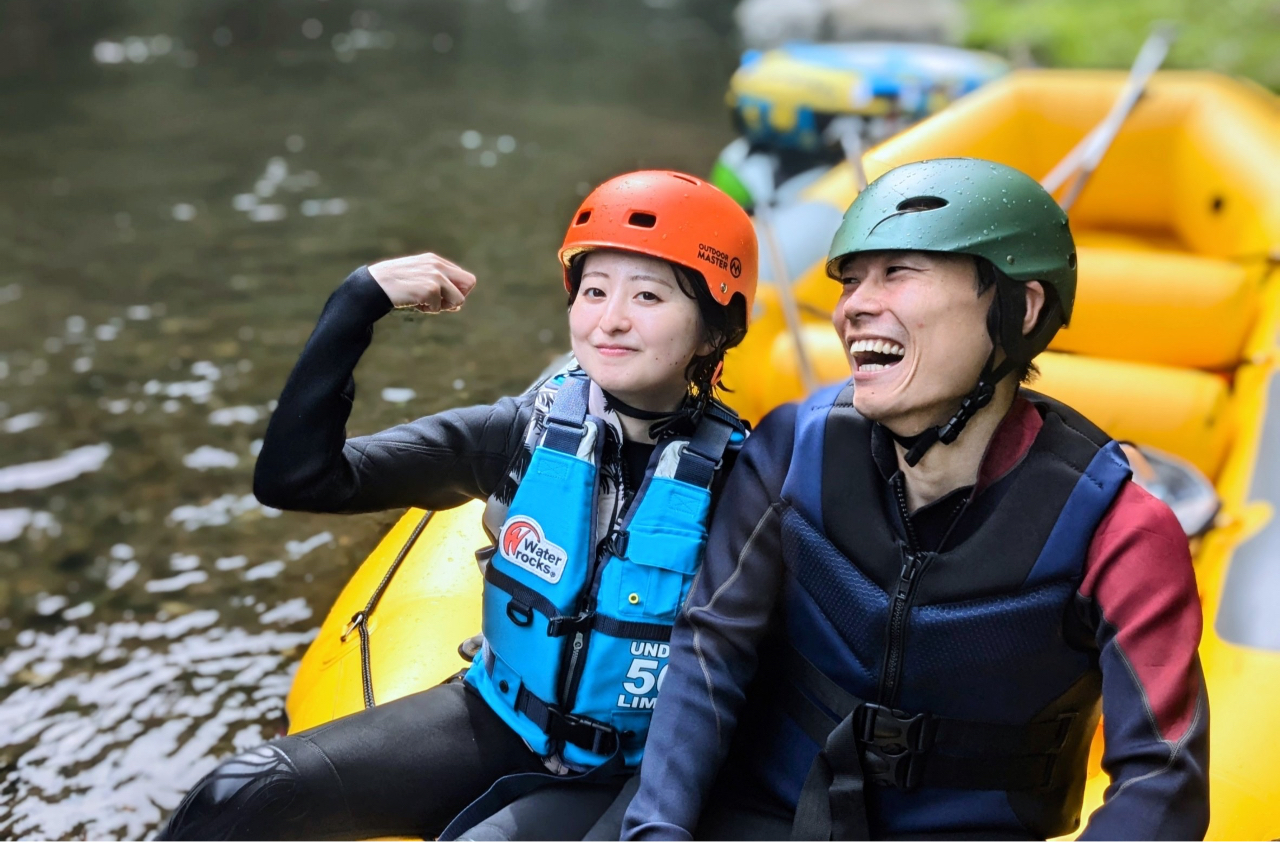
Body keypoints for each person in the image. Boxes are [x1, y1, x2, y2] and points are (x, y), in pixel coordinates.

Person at [158, 170, 759, 841]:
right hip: (499, 715)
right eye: (594, 290)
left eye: (647, 295)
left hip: (640, 769)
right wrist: (357, 304)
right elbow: (298, 480)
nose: (610, 319)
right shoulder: (520, 434)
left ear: (711, 334)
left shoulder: (749, 480)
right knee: (240, 792)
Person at [620, 158, 1210, 841]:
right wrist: (658, 830)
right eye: (849, 281)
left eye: (898, 272)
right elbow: (708, 652)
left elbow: (1161, 778)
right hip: (763, 818)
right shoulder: (788, 452)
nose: (853, 307)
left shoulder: (1121, 530)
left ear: (1022, 307)